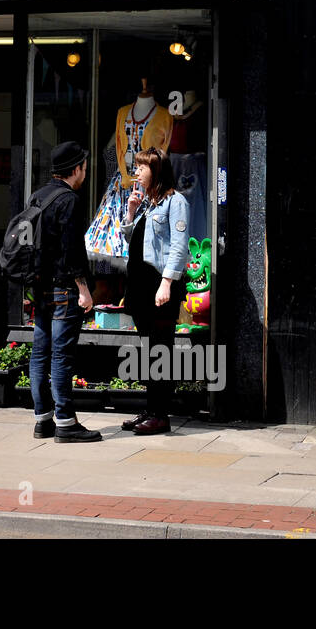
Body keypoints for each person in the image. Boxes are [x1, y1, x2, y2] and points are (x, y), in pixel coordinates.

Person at [29, 141, 103, 443]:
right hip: (64, 289)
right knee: (61, 355)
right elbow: (72, 251)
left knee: (40, 353)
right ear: (75, 169)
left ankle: (42, 420)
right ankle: (66, 423)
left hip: (40, 287)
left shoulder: (39, 196)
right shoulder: (69, 201)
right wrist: (84, 289)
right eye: (84, 167)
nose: (85, 172)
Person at [122, 146, 190, 435]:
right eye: (136, 166)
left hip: (158, 285)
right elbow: (132, 240)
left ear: (156, 170)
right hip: (139, 286)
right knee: (148, 350)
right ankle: (150, 410)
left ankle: (161, 415)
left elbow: (179, 245)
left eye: (142, 167)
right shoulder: (148, 203)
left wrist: (166, 282)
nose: (137, 171)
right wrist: (131, 212)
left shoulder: (176, 202)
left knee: (160, 350)